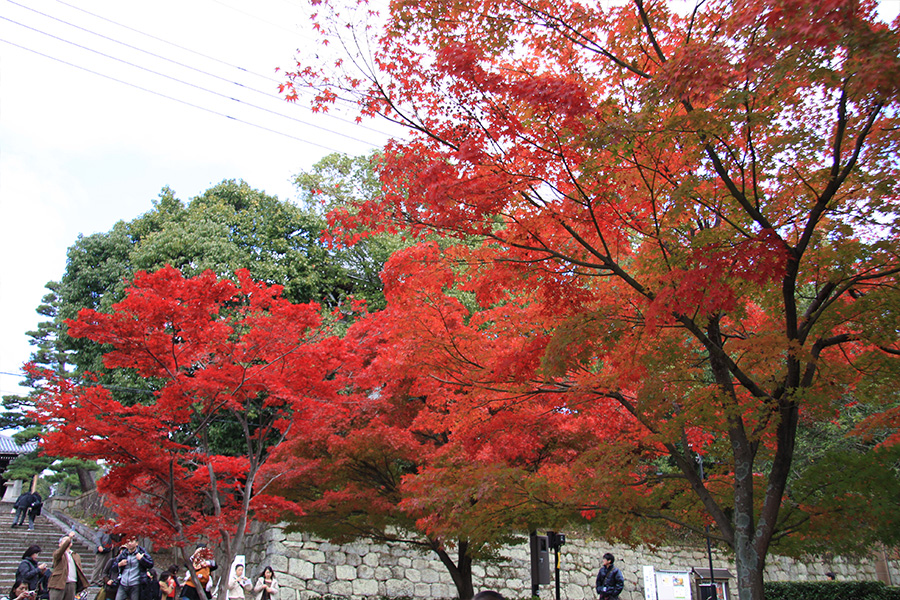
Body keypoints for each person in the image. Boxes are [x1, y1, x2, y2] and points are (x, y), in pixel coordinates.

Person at [48, 531, 89, 600]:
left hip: (72, 582)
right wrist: (69, 537)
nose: (67, 541)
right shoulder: (58, 553)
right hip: (58, 583)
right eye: (65, 540)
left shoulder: (75, 555)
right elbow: (61, 550)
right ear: (60, 544)